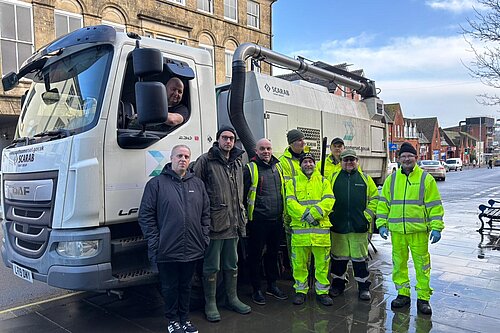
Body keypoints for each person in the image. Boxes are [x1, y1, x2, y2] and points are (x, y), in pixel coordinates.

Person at [138, 144, 210, 333]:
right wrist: (156, 242)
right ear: (171, 158)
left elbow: (205, 213)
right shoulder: (156, 184)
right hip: (167, 249)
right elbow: (146, 215)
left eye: (186, 156)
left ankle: (185, 319)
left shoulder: (197, 184)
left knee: (186, 286)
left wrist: (204, 237)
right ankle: (173, 321)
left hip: (193, 248)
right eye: (179, 156)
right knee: (170, 287)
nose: (183, 159)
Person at [376, 142, 444, 315]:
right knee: (399, 264)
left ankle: (423, 298)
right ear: (398, 159)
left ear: (416, 158)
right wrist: (381, 225)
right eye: (403, 156)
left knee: (422, 265)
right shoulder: (391, 180)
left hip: (419, 231)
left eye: (410, 156)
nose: (406, 159)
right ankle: (403, 294)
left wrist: (437, 227)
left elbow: (434, 206)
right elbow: (383, 204)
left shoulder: (425, 179)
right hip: (398, 232)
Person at [193, 125, 251, 322]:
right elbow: (196, 191)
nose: (228, 141)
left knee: (232, 263)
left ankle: (232, 298)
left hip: (234, 222)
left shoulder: (237, 161)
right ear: (217, 140)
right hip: (215, 223)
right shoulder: (205, 160)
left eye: (231, 138)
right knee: (211, 265)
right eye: (225, 138)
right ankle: (210, 302)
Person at [328, 149, 379, 301]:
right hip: (338, 227)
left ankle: (363, 287)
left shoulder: (365, 179)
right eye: (346, 160)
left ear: (357, 161)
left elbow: (375, 198)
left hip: (359, 227)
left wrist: (366, 216)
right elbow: (325, 198)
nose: (349, 162)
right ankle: (337, 285)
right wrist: (331, 216)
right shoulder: (332, 178)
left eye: (352, 160)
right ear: (341, 162)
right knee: (338, 259)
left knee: (360, 260)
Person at [285, 153, 335, 306]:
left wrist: (314, 214)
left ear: (315, 164)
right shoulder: (292, 182)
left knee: (322, 264)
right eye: (305, 162)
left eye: (311, 162)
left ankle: (322, 292)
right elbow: (290, 202)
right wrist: (306, 215)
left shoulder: (323, 181)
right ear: (300, 165)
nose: (308, 164)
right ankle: (301, 291)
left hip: (320, 231)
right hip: (300, 232)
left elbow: (329, 200)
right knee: (299, 263)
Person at [243, 138, 288, 305]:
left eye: (268, 148)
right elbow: (243, 196)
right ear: (256, 151)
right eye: (262, 149)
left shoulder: (278, 167)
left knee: (273, 254)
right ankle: (256, 289)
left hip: (276, 221)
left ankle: (272, 285)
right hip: (258, 222)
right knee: (255, 256)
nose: (266, 152)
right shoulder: (250, 169)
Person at [279, 129, 306, 269]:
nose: (303, 143)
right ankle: (296, 273)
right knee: (294, 246)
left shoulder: (308, 159)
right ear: (291, 143)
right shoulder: (283, 162)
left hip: (309, 211)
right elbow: (286, 189)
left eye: (303, 139)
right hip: (292, 211)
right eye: (299, 140)